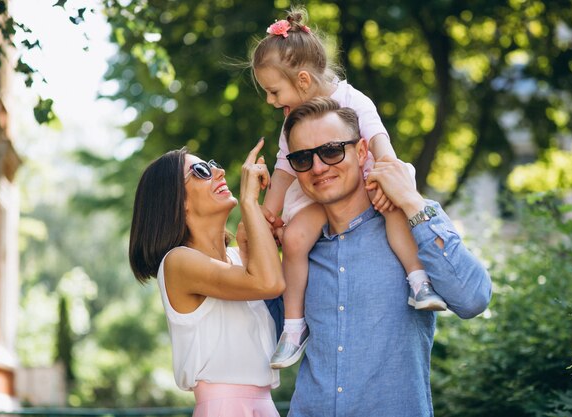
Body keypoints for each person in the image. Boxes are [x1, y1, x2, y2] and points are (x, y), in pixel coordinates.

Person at [249, 7, 447, 369]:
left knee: (393, 211)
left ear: (303, 81)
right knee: (294, 240)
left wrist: (388, 181)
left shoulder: (356, 102)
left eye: (274, 91)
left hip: (365, 185)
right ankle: (294, 327)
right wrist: (267, 212)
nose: (271, 100)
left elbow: (384, 150)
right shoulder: (292, 123)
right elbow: (283, 168)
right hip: (316, 194)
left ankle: (419, 281)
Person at [281, 97, 492, 416]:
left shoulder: (413, 225)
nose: (319, 167)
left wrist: (410, 200)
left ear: (362, 151)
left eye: (331, 150)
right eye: (302, 158)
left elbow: (473, 299)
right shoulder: (298, 248)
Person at [129, 140, 285, 417]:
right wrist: (249, 202)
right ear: (177, 202)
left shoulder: (239, 261)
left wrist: (252, 245)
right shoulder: (178, 262)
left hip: (263, 407)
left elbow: (272, 287)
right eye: (201, 170)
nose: (220, 172)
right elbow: (269, 283)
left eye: (213, 165)